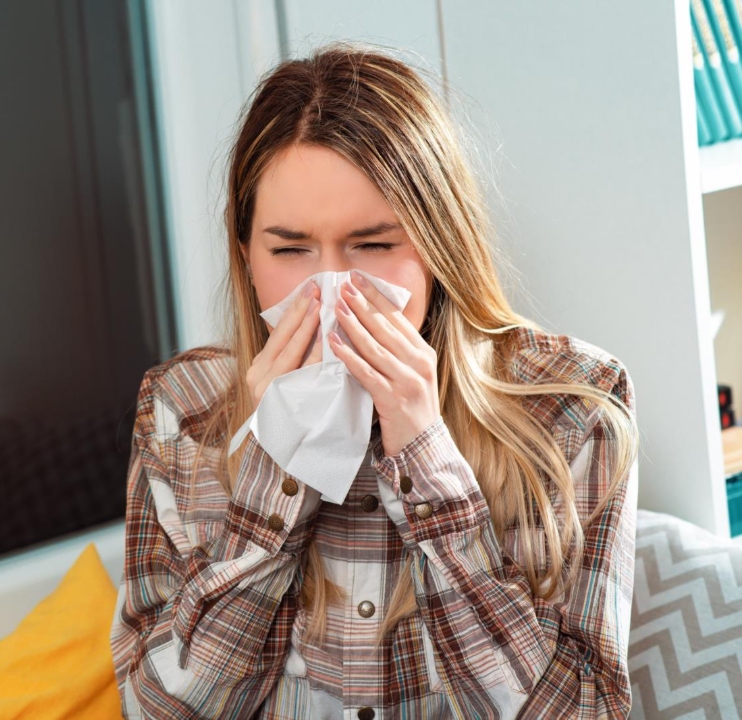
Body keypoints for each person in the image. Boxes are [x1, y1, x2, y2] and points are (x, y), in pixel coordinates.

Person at [109, 40, 640, 720]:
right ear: (245, 255)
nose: (330, 288)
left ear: (439, 243)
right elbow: (156, 712)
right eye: (290, 248)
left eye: (375, 244)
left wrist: (427, 458)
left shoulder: (575, 405)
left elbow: (584, 712)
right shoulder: (184, 409)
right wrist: (274, 472)